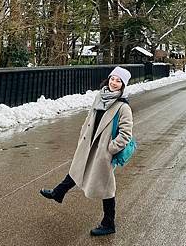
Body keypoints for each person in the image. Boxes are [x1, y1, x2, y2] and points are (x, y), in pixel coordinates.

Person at [39, 66, 133, 237]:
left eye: (118, 81)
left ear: (123, 85)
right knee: (78, 168)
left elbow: (126, 134)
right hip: (89, 144)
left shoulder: (123, 107)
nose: (114, 82)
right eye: (113, 78)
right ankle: (58, 192)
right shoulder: (101, 96)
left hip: (103, 151)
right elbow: (90, 117)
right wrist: (83, 134)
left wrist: (110, 149)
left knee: (106, 187)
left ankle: (109, 223)